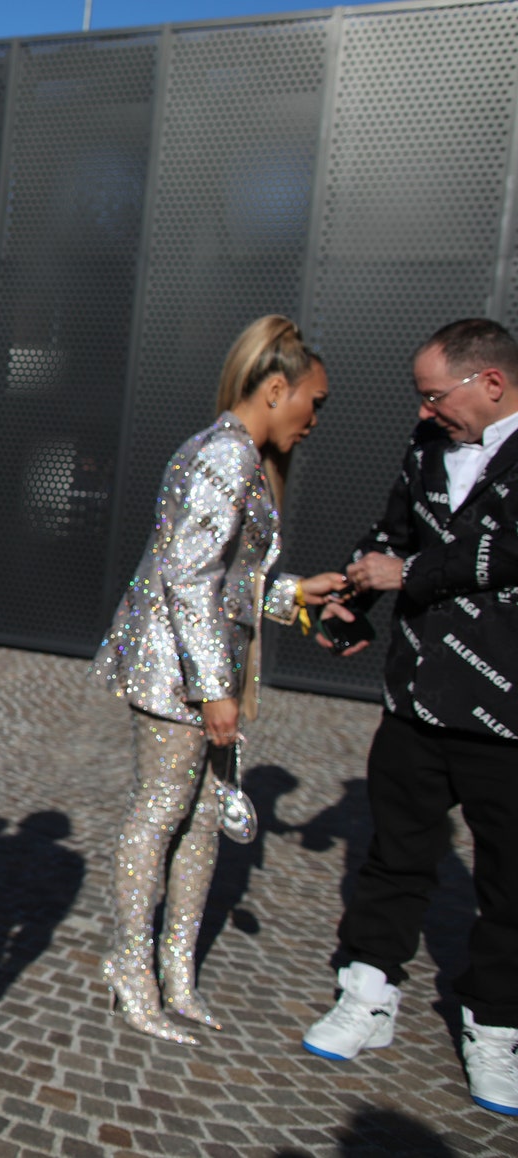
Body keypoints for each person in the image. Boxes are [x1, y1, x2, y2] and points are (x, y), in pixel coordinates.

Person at [92, 316, 347, 1046]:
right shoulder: (227, 458)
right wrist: (214, 690)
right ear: (276, 388)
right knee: (162, 813)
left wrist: (296, 595)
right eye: (314, 401)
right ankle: (131, 970)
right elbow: (187, 577)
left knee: (200, 821)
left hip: (199, 667)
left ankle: (176, 974)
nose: (315, 418)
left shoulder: (238, 457)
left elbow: (229, 580)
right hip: (177, 673)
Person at [301, 318, 518, 1118]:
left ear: (489, 382)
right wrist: (355, 597)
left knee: (510, 886)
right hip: (419, 699)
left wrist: (408, 571)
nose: (425, 413)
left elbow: (500, 554)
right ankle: (369, 993)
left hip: (510, 717)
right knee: (395, 857)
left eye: (435, 396)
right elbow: (391, 532)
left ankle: (495, 1027)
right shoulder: (427, 446)